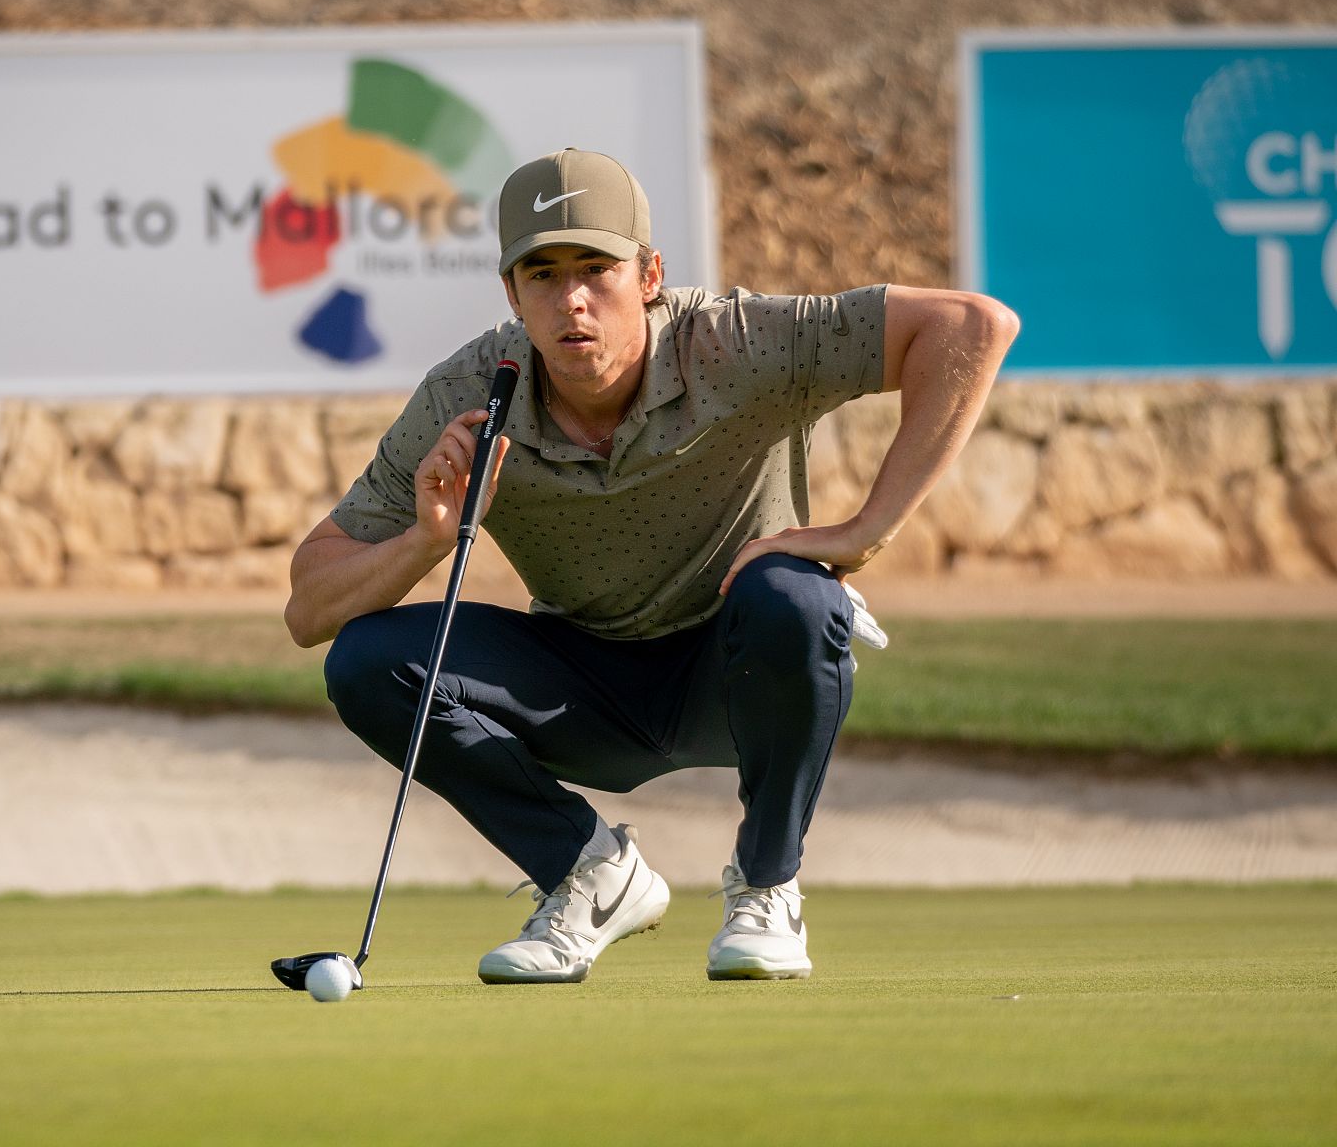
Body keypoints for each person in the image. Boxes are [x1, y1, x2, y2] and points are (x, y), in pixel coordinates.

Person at [284, 148, 1019, 985]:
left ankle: (768, 888)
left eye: (597, 269)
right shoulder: (471, 394)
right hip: (582, 691)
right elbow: (310, 608)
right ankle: (592, 873)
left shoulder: (736, 342)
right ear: (511, 292)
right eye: (543, 274)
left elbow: (971, 326)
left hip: (738, 672)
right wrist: (426, 540)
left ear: (650, 274)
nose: (573, 300)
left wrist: (865, 532)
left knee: (800, 598)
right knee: (367, 661)